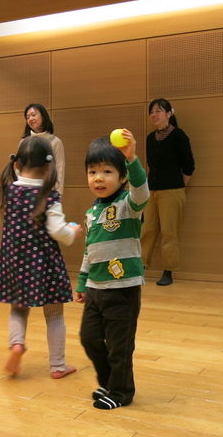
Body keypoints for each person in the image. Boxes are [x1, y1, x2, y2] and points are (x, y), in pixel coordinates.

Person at [0, 136, 82, 378]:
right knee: (54, 314)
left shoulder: (9, 191)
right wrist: (72, 232)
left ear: (16, 164)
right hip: (44, 264)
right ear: (48, 167)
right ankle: (57, 366)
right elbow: (57, 231)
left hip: (14, 262)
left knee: (18, 309)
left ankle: (16, 344)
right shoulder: (49, 195)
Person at [76, 131, 149, 410]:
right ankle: (109, 381)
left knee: (120, 346)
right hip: (96, 289)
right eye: (92, 171)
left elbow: (142, 191)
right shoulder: (91, 212)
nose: (98, 178)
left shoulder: (129, 205)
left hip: (123, 290)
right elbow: (89, 251)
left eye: (107, 171)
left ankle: (121, 392)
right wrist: (82, 282)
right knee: (89, 339)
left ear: (122, 177)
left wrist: (132, 159)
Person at [140, 98, 195, 286]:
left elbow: (189, 166)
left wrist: (178, 185)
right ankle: (140, 268)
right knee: (146, 230)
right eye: (151, 111)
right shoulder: (150, 138)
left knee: (169, 232)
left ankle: (168, 271)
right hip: (151, 192)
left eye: (158, 111)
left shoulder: (178, 135)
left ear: (169, 113)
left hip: (172, 191)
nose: (154, 115)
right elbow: (151, 166)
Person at [22, 104, 65, 192]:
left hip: (48, 191)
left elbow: (59, 170)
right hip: (26, 191)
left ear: (43, 116)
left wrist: (58, 194)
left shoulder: (55, 142)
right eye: (27, 117)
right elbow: (19, 169)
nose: (30, 119)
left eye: (33, 115)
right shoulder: (24, 142)